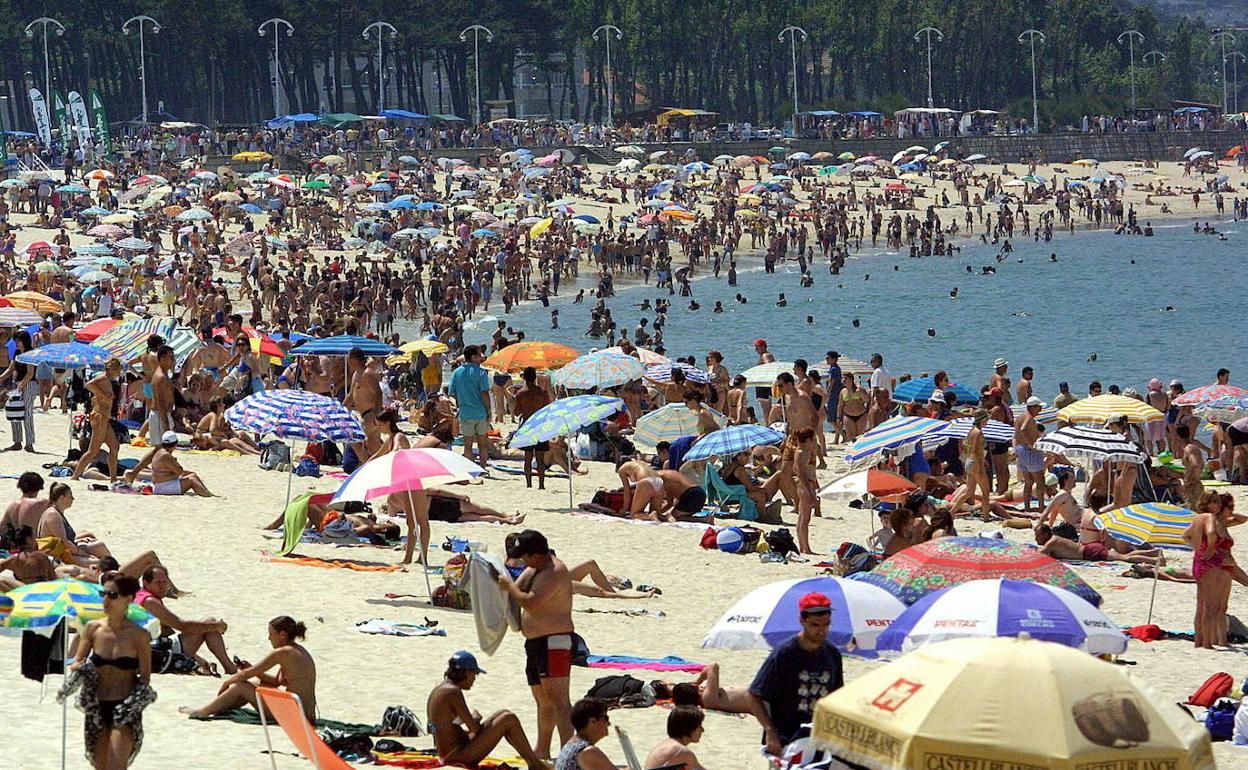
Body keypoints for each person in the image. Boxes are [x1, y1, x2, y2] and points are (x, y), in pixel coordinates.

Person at [497, 530, 575, 759]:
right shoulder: (534, 568)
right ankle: (542, 749)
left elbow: (531, 602)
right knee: (543, 701)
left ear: (537, 554)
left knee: (559, 701)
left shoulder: (554, 572)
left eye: (525, 556)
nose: (522, 560)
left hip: (555, 642)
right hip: (535, 643)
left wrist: (508, 587)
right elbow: (516, 589)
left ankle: (567, 752)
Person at [66, 574, 155, 770]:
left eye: (112, 595)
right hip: (96, 708)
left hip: (124, 709)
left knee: (116, 765)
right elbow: (78, 661)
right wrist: (77, 668)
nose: (105, 599)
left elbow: (145, 676)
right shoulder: (92, 629)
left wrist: (136, 703)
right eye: (103, 594)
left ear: (129, 599)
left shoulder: (139, 636)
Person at [749, 592, 843, 756]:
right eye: (815, 625)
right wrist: (770, 731)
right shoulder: (784, 653)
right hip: (786, 740)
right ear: (802, 621)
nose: (821, 631)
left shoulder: (832, 654)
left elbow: (837, 696)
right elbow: (754, 695)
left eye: (826, 624)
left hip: (819, 739)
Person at [425, 651, 547, 770]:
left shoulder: (439, 689)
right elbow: (475, 729)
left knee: (503, 713)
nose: (474, 679)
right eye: (475, 674)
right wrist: (475, 719)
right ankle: (535, 764)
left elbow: (433, 729)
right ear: (466, 672)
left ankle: (533, 762)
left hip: (450, 753)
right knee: (508, 719)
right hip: (456, 757)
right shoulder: (453, 691)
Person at [181, 616, 317, 720]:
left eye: (271, 634)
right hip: (307, 713)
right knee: (255, 683)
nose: (269, 638)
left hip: (295, 715)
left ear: (282, 635)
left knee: (240, 686)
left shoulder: (283, 652)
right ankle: (221, 706)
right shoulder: (298, 650)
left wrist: (227, 682)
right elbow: (276, 681)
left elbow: (245, 675)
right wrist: (251, 669)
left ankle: (203, 711)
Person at [136, 566, 237, 677]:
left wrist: (199, 660)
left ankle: (228, 667)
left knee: (208, 624)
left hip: (151, 650)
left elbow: (166, 631)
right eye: (158, 582)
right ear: (146, 583)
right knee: (210, 623)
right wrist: (217, 626)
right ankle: (230, 669)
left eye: (165, 582)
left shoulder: (140, 596)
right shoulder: (150, 602)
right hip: (156, 655)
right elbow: (181, 626)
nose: (162, 586)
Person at [1184, 491, 1248, 648]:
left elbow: (1185, 536)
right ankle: (1208, 643)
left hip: (1206, 563)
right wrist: (1210, 548)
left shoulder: (1208, 520)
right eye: (1228, 506)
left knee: (1209, 606)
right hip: (1217, 564)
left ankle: (1206, 641)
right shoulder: (1212, 519)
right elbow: (1211, 534)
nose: (1220, 506)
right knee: (1211, 606)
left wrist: (1199, 548)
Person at [71, 358, 123, 482]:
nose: (119, 373)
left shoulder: (108, 381)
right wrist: (103, 395)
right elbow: (88, 384)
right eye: (118, 370)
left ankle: (113, 478)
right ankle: (76, 475)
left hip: (104, 417)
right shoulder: (103, 378)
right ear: (113, 369)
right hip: (99, 416)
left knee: (114, 447)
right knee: (93, 450)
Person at [125, 431, 216, 496]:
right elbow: (179, 471)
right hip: (163, 487)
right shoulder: (166, 455)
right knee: (192, 479)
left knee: (192, 475)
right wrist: (175, 461)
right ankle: (208, 495)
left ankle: (208, 493)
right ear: (175, 444)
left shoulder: (159, 451)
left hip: (159, 484)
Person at [449, 345, 493, 468]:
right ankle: (483, 468)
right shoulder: (481, 372)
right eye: (479, 355)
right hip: (480, 413)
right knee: (482, 444)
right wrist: (489, 409)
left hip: (465, 412)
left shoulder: (457, 373)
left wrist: (460, 405)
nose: (481, 357)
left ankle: (470, 469)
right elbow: (484, 393)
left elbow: (453, 393)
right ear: (473, 357)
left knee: (467, 445)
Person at [1034, 524, 1161, 564]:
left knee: (1124, 558)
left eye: (1038, 535)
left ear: (1045, 534)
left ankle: (1155, 560)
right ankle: (1153, 552)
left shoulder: (1052, 542)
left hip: (1090, 552)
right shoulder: (1054, 539)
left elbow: (1038, 555)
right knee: (1124, 555)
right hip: (1090, 549)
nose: (1035, 539)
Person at [514, 366, 552, 489]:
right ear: (535, 378)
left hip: (527, 425)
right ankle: (541, 485)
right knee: (540, 458)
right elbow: (547, 410)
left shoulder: (520, 394)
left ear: (524, 378)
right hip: (539, 425)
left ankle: (529, 484)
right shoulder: (542, 393)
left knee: (528, 457)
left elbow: (516, 412)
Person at [554, 698, 616, 770]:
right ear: (592, 721)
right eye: (605, 718)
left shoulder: (571, 744)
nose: (608, 724)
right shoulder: (589, 752)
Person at [1, 329, 37, 451]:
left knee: (27, 414)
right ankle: (17, 441)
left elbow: (30, 373)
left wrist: (20, 386)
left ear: (24, 341)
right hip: (18, 385)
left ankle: (29, 443)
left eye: (18, 340)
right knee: (14, 412)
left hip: (29, 385)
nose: (16, 343)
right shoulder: (17, 353)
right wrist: (1, 378)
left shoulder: (30, 353)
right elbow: (11, 369)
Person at [644, 706, 707, 770]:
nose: (702, 730)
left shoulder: (666, 745)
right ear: (689, 727)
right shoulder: (682, 752)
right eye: (699, 726)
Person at [1014, 396, 1047, 512]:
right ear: (1033, 407)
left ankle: (1027, 506)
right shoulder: (1028, 417)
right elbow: (1023, 430)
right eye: (1039, 407)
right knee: (1040, 480)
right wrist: (1030, 444)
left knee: (1028, 481)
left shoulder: (1021, 417)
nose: (1040, 410)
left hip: (1021, 449)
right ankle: (1041, 506)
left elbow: (1016, 433)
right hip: (1028, 451)